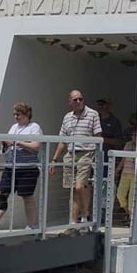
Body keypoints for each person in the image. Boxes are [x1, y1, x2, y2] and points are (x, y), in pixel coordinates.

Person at [0, 102, 42, 233]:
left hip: (27, 168)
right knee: (1, 193)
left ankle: (31, 225)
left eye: (18, 114)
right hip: (10, 167)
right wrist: (5, 145)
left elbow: (36, 146)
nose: (16, 117)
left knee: (27, 196)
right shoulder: (13, 127)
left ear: (27, 114)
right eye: (15, 114)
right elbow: (8, 146)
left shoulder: (34, 127)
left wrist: (17, 142)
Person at [48, 90, 101, 225]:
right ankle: (73, 222)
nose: (78, 101)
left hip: (86, 152)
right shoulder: (67, 117)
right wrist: (54, 160)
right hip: (70, 154)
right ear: (70, 102)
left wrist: (96, 155)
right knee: (73, 189)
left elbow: (98, 137)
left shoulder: (93, 114)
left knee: (79, 186)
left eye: (80, 99)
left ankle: (85, 214)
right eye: (75, 99)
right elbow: (62, 141)